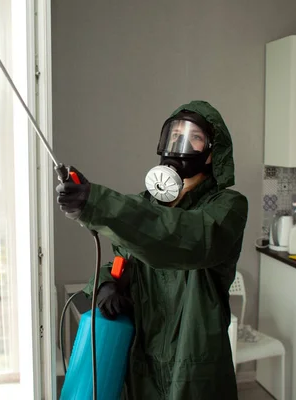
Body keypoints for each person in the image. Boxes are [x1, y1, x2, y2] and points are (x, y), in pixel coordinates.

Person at [56, 100, 248, 399]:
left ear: (212, 154)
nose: (179, 145)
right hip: (142, 353)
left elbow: (183, 238)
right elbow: (125, 258)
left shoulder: (226, 207)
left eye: (193, 138)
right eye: (174, 136)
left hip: (193, 360)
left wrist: (99, 203)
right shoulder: (146, 204)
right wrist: (106, 282)